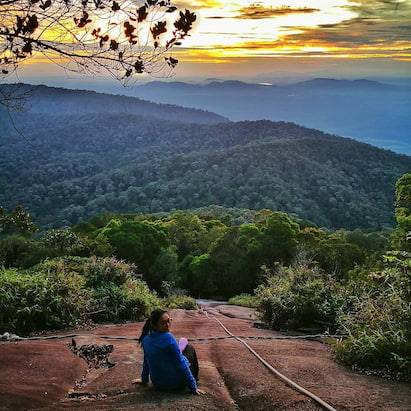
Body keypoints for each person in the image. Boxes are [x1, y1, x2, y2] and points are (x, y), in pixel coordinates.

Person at [133, 309, 204, 395]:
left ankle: (181, 346)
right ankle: (195, 379)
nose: (167, 325)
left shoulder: (145, 338)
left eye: (168, 321)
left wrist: (144, 380)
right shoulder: (168, 338)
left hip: (158, 384)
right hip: (175, 384)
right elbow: (181, 364)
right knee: (189, 348)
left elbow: (146, 361)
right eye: (163, 323)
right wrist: (193, 387)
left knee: (180, 346)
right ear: (154, 325)